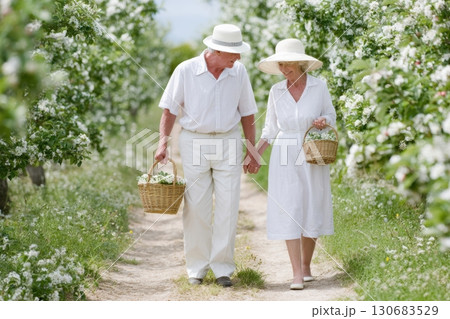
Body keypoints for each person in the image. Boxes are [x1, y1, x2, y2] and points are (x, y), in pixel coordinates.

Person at [155, 24, 259, 287]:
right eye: (233, 54)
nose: (238, 58)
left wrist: (252, 150)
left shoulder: (239, 72)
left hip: (228, 140)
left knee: (228, 206)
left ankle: (222, 268)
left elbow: (247, 113)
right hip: (194, 141)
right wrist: (162, 144)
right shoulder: (186, 70)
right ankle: (197, 269)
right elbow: (169, 111)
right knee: (196, 208)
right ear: (217, 50)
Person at [248, 38, 336, 290]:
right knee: (289, 206)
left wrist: (322, 120)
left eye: (288, 64)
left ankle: (307, 266)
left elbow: (331, 115)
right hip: (284, 150)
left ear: (300, 63)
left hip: (312, 148)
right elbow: (270, 128)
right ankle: (296, 273)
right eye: (281, 65)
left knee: (311, 204)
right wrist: (255, 154)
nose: (284, 69)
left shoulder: (319, 87)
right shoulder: (276, 91)